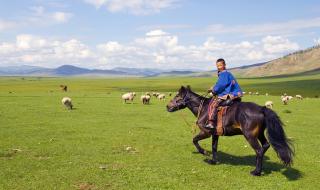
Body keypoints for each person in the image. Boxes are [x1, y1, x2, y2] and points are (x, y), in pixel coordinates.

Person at [204, 58, 243, 133]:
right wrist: (213, 88)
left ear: (224, 65)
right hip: (235, 93)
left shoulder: (224, 74)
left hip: (230, 94)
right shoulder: (226, 73)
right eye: (217, 66)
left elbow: (221, 85)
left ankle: (211, 123)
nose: (219, 67)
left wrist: (214, 91)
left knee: (213, 104)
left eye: (220, 65)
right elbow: (219, 84)